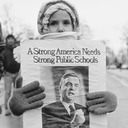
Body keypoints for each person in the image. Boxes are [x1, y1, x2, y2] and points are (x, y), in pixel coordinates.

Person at [9, 0, 117, 122]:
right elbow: (22, 112)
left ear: (73, 26)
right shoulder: (31, 63)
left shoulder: (89, 57)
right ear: (45, 27)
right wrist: (15, 105)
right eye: (54, 23)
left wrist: (108, 102)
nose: (61, 29)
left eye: (66, 22)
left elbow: (97, 95)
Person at [3, 34, 20, 116]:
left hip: (17, 74)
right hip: (7, 75)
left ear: (14, 40)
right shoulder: (3, 50)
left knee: (17, 91)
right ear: (6, 41)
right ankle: (6, 109)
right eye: (8, 38)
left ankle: (17, 108)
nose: (10, 40)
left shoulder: (18, 49)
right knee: (8, 92)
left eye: (12, 38)